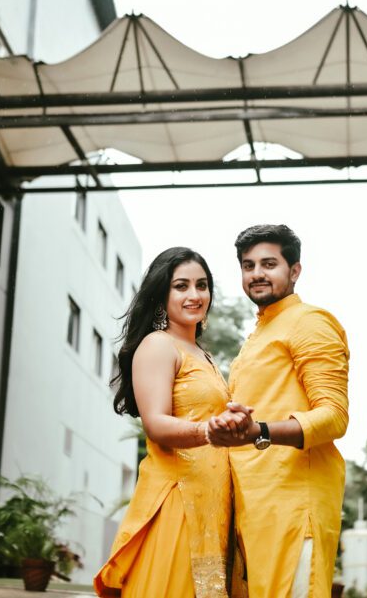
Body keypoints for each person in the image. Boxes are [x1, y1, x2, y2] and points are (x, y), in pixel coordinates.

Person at [208, 224, 350, 598]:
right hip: (253, 510)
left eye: (269, 263)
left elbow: (334, 416)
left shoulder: (309, 322)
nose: (256, 274)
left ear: (295, 270)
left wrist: (260, 432)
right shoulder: (259, 334)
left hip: (293, 507)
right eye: (248, 265)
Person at [95, 247, 232, 598]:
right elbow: (156, 424)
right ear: (162, 296)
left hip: (212, 508)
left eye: (202, 285)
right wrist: (210, 431)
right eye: (181, 286)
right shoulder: (158, 345)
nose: (195, 295)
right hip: (177, 503)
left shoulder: (203, 355)